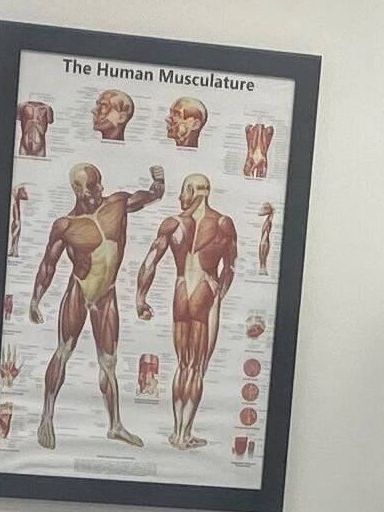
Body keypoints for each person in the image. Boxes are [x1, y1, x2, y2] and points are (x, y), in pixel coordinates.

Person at [27, 162, 167, 449]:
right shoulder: (65, 226)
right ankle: (46, 417)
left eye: (100, 182)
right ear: (79, 190)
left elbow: (153, 195)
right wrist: (35, 299)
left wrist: (159, 178)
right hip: (80, 291)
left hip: (106, 294)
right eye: (94, 185)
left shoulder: (117, 203)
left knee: (109, 363)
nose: (101, 188)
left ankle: (115, 426)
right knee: (64, 351)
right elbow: (48, 265)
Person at [136, 173, 240, 450]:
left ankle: (176, 433)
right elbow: (229, 268)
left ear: (193, 191)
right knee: (196, 368)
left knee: (183, 365)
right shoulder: (223, 224)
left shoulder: (173, 224)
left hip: (181, 290)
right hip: (206, 288)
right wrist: (219, 295)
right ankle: (185, 434)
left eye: (183, 191)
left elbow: (149, 262)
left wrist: (140, 298)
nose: (180, 197)